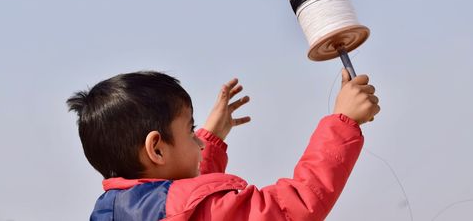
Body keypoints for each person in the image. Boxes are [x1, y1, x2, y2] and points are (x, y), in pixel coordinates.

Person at [67, 69, 379, 220]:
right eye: (190, 131)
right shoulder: (185, 209)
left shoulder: (115, 208)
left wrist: (210, 139)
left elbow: (181, 202)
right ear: (157, 149)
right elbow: (288, 210)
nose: (198, 143)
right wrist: (343, 122)